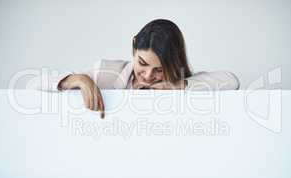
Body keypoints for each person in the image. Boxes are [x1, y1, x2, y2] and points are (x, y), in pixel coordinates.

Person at [27, 19, 240, 119]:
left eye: (159, 69)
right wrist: (79, 79)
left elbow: (231, 80)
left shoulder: (181, 83)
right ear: (133, 49)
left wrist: (179, 85)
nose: (148, 76)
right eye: (143, 64)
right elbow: (33, 83)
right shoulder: (107, 72)